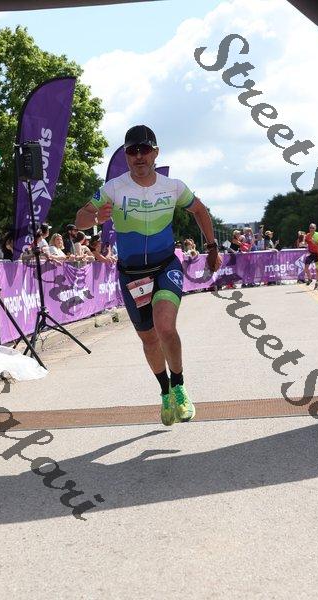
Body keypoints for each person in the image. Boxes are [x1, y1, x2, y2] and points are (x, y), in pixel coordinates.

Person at [76, 124, 221, 426]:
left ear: (156, 153)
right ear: (126, 156)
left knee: (165, 327)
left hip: (165, 264)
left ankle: (179, 387)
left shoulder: (173, 186)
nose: (139, 156)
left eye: (145, 150)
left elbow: (200, 210)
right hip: (131, 274)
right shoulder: (113, 188)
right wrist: (95, 217)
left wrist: (212, 247)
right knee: (149, 338)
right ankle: (165, 392)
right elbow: (80, 218)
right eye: (133, 151)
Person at [304, 223, 318, 290]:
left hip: (317, 253)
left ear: (315, 228)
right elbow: (305, 243)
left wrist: (315, 242)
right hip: (311, 253)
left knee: (317, 269)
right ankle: (310, 279)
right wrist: (304, 243)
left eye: (313, 228)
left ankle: (316, 283)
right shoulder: (307, 235)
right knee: (306, 267)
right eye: (310, 228)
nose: (311, 229)